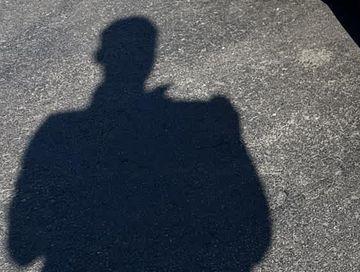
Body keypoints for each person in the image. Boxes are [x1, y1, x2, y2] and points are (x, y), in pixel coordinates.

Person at [7, 17, 271, 271]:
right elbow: (257, 239)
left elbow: (21, 250)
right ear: (150, 60)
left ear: (100, 57)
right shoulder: (206, 116)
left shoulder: (57, 128)